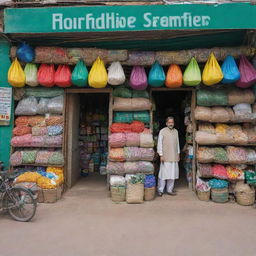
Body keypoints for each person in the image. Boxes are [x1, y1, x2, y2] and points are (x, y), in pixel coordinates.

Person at [157, 116, 180, 196]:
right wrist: (161, 155)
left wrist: (178, 153)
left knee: (172, 174)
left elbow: (177, 143)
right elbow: (159, 143)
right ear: (166, 123)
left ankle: (170, 190)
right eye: (169, 122)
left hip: (174, 156)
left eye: (172, 122)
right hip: (165, 156)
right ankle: (160, 190)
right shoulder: (162, 131)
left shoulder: (176, 131)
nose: (171, 124)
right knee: (163, 174)